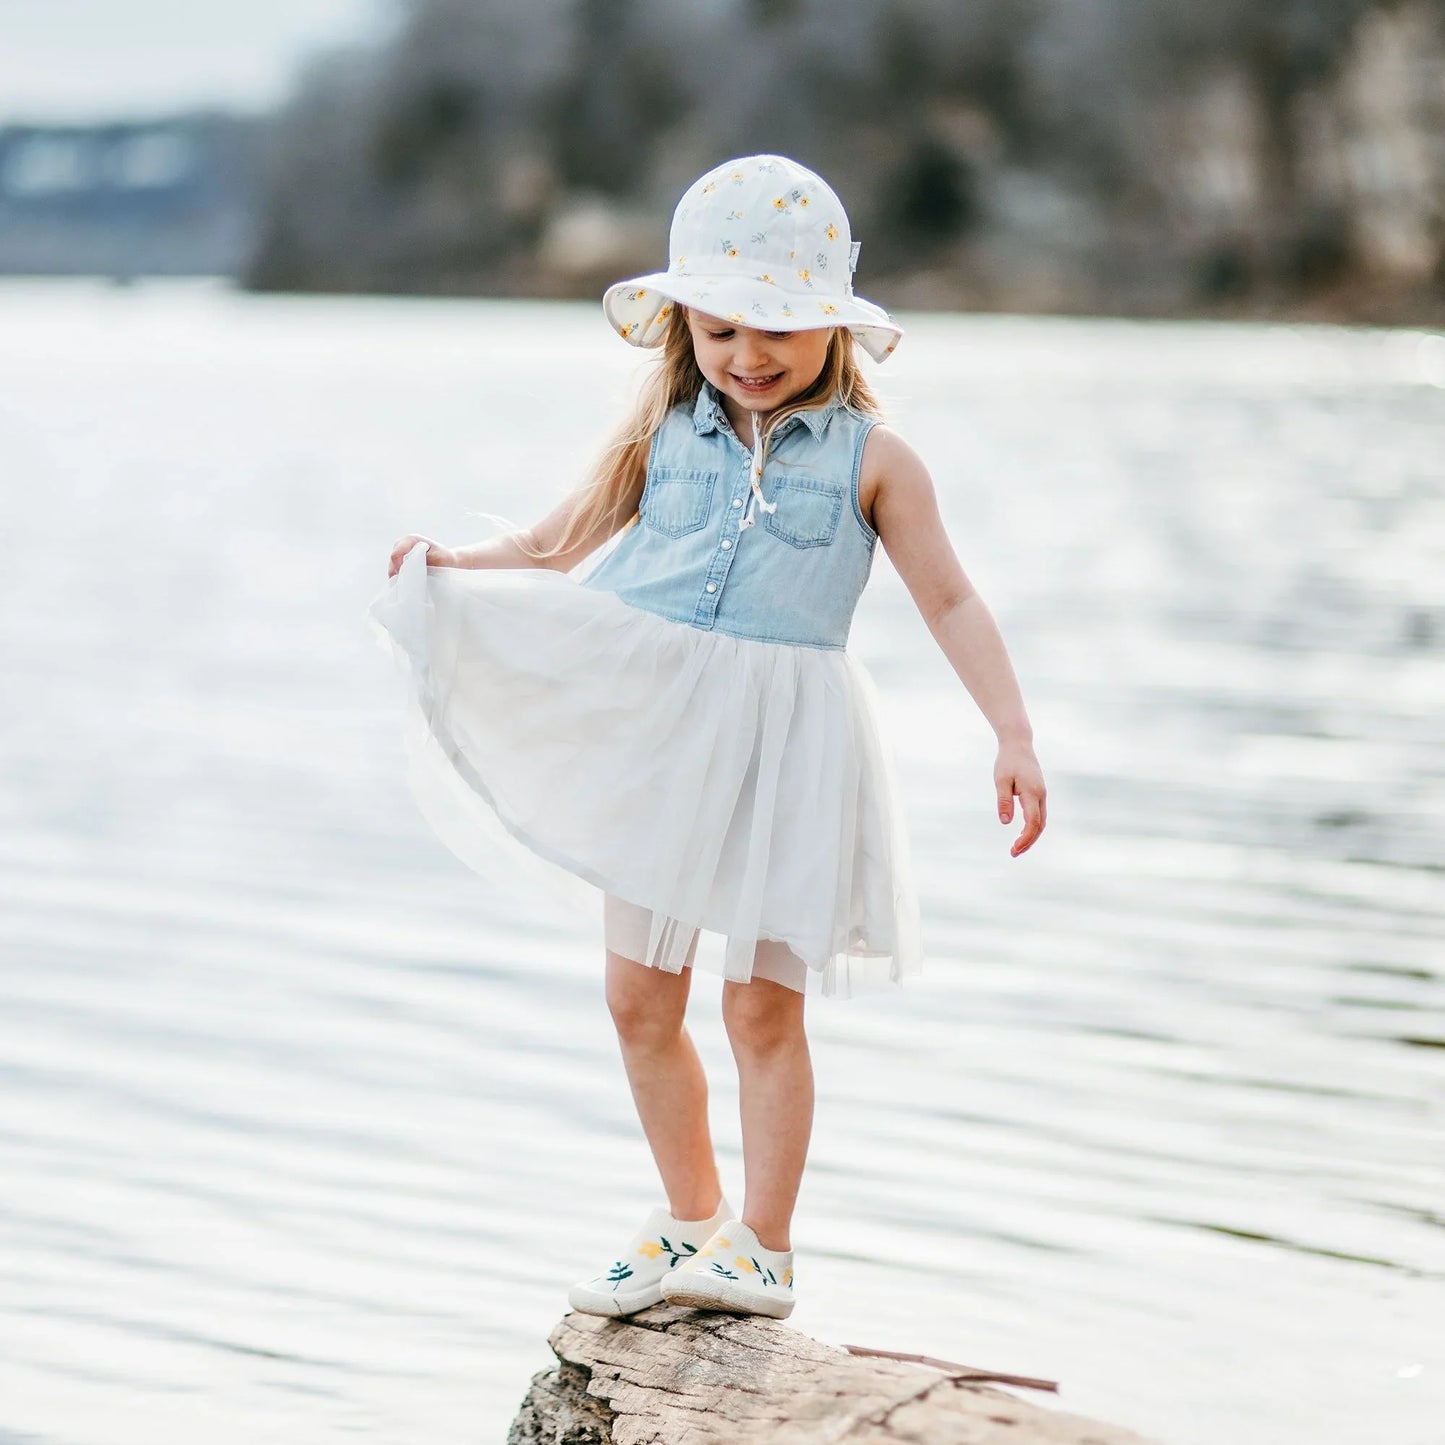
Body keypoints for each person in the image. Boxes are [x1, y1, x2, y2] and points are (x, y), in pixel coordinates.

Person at [366, 153, 1046, 1323]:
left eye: (780, 328)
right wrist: (449, 567)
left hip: (790, 752)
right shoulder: (663, 431)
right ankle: (687, 1216)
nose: (750, 354)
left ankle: (762, 1249)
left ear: (834, 324)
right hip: (662, 743)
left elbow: (949, 599)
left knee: (759, 1008)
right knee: (639, 997)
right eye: (724, 327)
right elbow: (552, 543)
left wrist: (1011, 732)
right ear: (684, 324)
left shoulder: (877, 462)